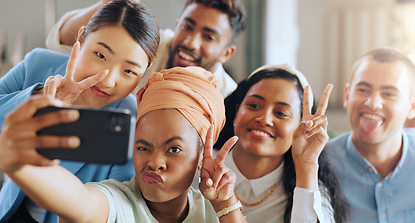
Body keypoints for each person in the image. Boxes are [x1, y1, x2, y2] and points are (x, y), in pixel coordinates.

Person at [0, 66, 247, 222]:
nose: (154, 162)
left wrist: (225, 205)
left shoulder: (215, 210)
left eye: (174, 149)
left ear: (202, 154)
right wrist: (20, 164)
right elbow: (80, 203)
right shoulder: (119, 202)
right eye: (143, 147)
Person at [0, 0, 160, 223]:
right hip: (9, 208)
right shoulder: (37, 64)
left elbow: (117, 202)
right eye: (101, 56)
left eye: (129, 71)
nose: (108, 80)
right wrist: (37, 99)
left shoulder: (134, 122)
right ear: (81, 38)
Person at [47, 0, 247, 97]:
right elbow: (59, 41)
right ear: (177, 24)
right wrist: (109, 5)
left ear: (227, 53)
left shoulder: (228, 96)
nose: (190, 42)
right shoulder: (150, 46)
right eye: (187, 26)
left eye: (208, 37)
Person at [325, 47, 415, 222]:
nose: (373, 103)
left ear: (413, 106)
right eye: (363, 90)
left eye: (389, 94)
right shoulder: (319, 164)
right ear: (347, 95)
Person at [214, 64, 349, 223]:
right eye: (254, 105)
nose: (264, 119)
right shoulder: (198, 172)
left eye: (280, 113)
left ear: (300, 126)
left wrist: (307, 164)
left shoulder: (309, 191)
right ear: (237, 110)